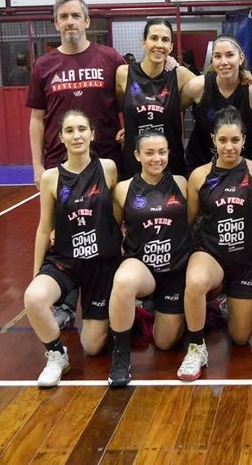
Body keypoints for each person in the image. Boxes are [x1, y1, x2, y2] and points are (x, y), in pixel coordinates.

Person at [26, 0, 125, 328]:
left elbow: (134, 94)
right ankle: (64, 303)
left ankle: (115, 292)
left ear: (87, 21)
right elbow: (36, 119)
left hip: (106, 161)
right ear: (56, 23)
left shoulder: (110, 58)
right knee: (61, 233)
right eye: (63, 17)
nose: (70, 22)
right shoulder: (44, 65)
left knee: (111, 227)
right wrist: (37, 166)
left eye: (75, 16)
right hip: (61, 164)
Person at [176, 106, 252, 381]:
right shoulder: (199, 176)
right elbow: (188, 222)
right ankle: (196, 348)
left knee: (240, 338)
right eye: (223, 140)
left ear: (244, 140)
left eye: (235, 140)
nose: (229, 146)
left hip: (247, 262)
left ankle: (225, 303)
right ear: (213, 139)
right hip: (211, 253)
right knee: (195, 282)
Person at [23, 109, 121, 388]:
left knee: (92, 346)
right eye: (69, 130)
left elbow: (116, 215)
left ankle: (111, 316)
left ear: (92, 134)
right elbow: (44, 228)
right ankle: (57, 355)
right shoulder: (51, 177)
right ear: (61, 138)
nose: (76, 135)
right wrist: (37, 272)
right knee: (34, 298)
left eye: (82, 129)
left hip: (101, 265)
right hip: (64, 261)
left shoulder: (108, 168)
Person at [106, 130, 190, 387]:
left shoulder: (181, 184)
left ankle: (163, 309)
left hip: (175, 271)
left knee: (164, 343)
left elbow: (197, 221)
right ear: (137, 155)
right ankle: (121, 356)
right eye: (150, 153)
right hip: (142, 269)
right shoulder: (123, 189)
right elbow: (110, 230)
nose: (157, 158)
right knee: (123, 280)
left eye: (162, 152)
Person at [115, 19, 196, 179]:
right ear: (143, 42)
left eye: (165, 40)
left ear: (171, 47)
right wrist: (129, 126)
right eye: (154, 38)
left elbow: (212, 86)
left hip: (170, 166)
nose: (159, 44)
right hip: (134, 166)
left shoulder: (180, 75)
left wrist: (242, 73)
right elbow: (119, 106)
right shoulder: (124, 73)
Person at [182, 33, 252, 177]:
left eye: (230, 55)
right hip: (201, 165)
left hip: (241, 169)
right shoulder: (198, 87)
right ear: (212, 59)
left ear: (241, 58)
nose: (224, 62)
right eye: (218, 56)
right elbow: (169, 112)